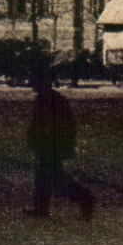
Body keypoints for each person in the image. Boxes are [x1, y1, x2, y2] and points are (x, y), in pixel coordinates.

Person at [25, 65, 95, 219]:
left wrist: (40, 142)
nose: (31, 83)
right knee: (46, 176)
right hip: (51, 144)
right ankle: (42, 207)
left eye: (34, 80)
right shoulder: (49, 98)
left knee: (53, 177)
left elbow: (47, 125)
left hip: (51, 145)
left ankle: (84, 198)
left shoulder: (47, 100)